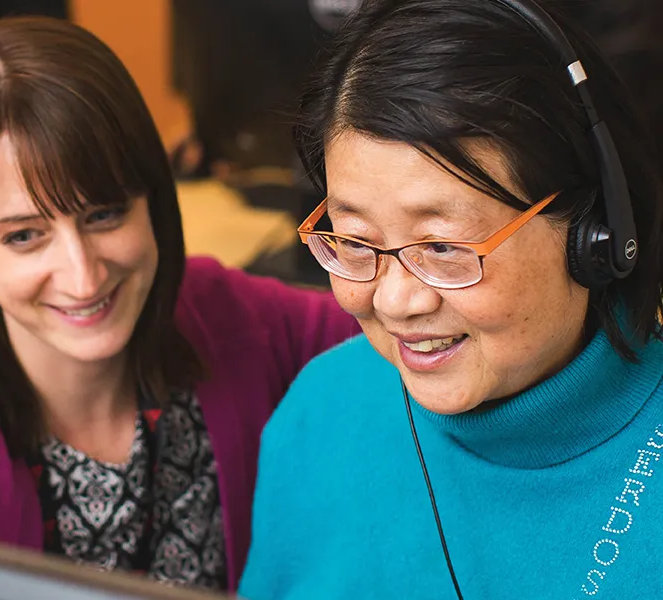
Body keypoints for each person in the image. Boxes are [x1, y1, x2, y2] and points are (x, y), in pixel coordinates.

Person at [0, 16, 358, 593]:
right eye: (24, 236)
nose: (82, 278)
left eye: (104, 214)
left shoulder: (223, 313)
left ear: (153, 194)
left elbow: (393, 330)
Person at [239, 0, 663, 598]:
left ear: (594, 233)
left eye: (442, 246)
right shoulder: (319, 412)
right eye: (355, 240)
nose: (394, 301)